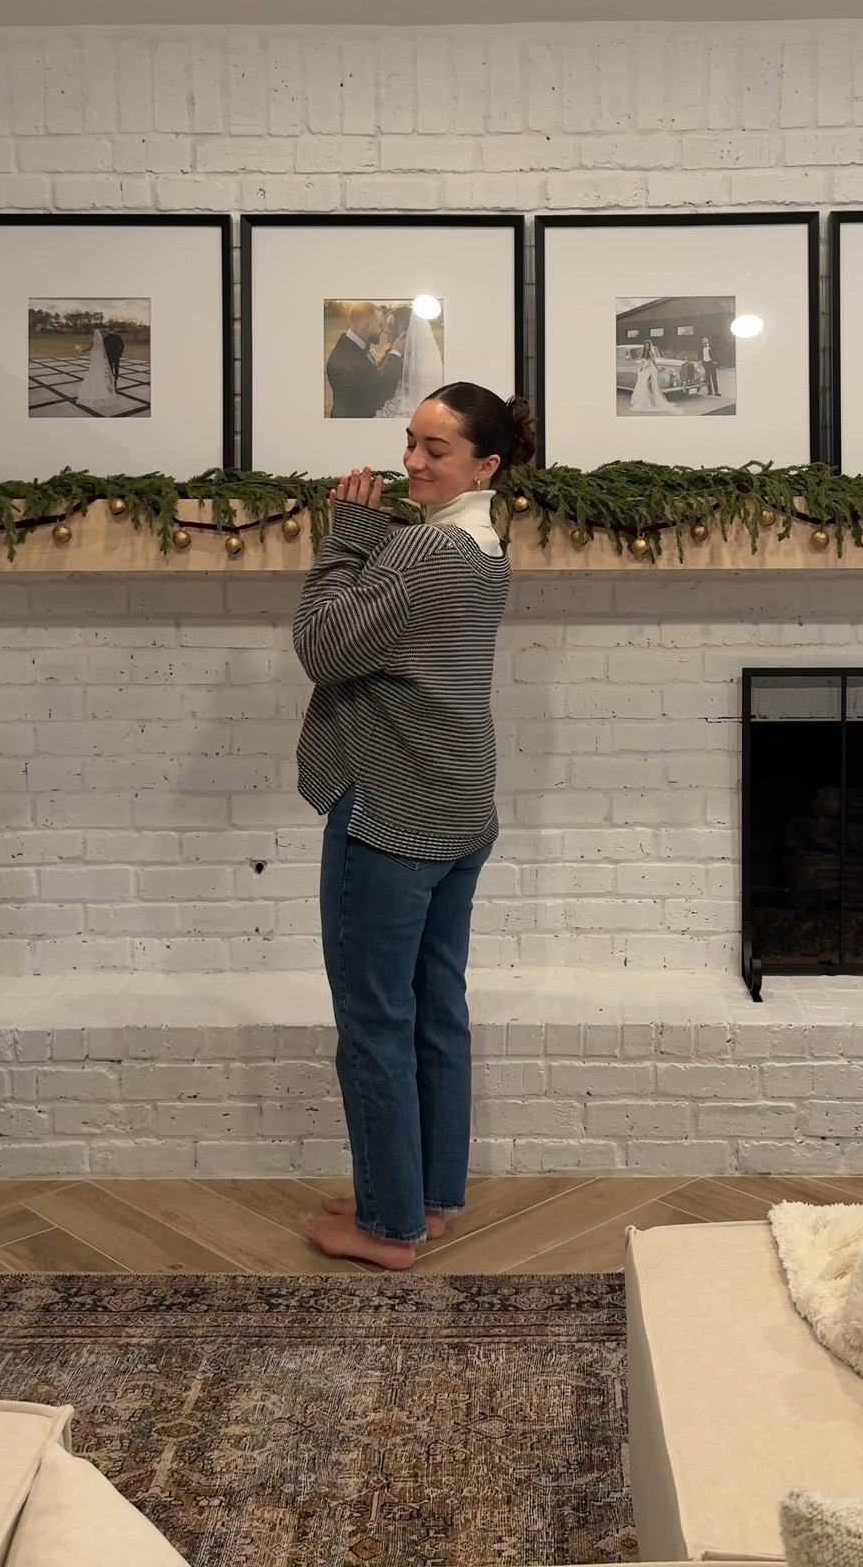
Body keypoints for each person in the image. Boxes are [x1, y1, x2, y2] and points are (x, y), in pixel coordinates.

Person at [293, 382, 536, 1268]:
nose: (413, 462)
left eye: (437, 449)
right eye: (410, 441)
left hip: (394, 813)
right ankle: (420, 1197)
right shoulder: (482, 544)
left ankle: (388, 1226)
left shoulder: (424, 554)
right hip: (460, 808)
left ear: (486, 463)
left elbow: (322, 645)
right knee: (435, 1011)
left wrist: (345, 540)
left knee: (374, 1020)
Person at [325, 301, 406, 417]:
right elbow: (381, 393)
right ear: (367, 326)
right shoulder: (344, 359)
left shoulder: (353, 348)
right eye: (380, 325)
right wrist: (396, 352)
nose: (382, 330)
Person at [375, 304, 444, 419]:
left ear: (404, 330)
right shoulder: (395, 353)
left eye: (391, 326)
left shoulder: (413, 360)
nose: (386, 331)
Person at [76, 328, 122, 415]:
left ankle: (92, 389)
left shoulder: (93, 341)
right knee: (98, 372)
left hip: (95, 356)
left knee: (93, 371)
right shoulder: (102, 341)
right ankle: (103, 387)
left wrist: (81, 350)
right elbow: (104, 349)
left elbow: (89, 348)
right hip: (99, 356)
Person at [629, 339, 671, 413]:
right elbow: (640, 359)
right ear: (644, 346)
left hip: (649, 369)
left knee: (644, 383)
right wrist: (641, 364)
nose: (647, 347)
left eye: (648, 346)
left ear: (649, 346)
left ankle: (646, 402)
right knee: (640, 383)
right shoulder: (642, 352)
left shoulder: (651, 353)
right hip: (641, 370)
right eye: (646, 346)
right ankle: (640, 400)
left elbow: (653, 361)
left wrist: (658, 368)